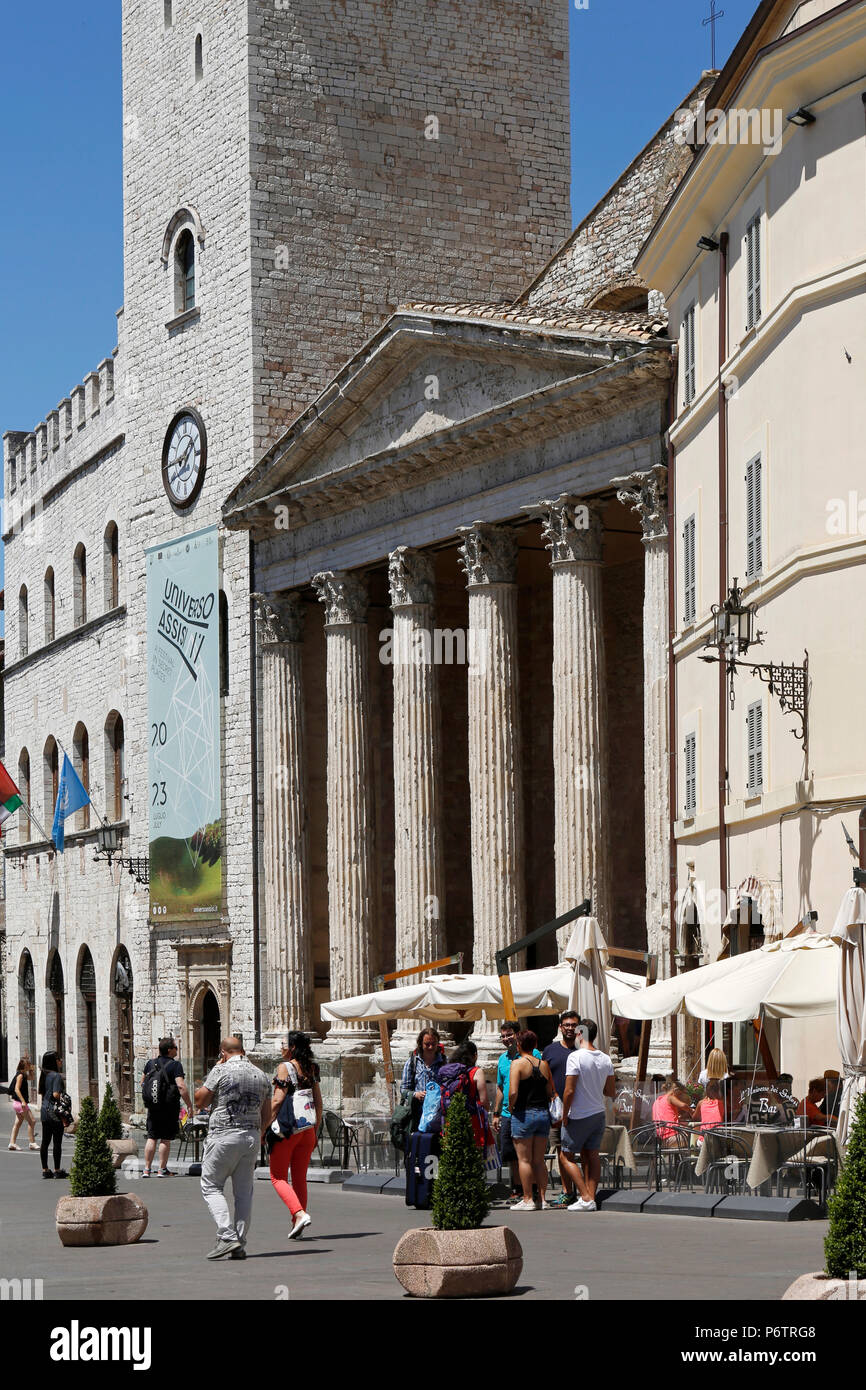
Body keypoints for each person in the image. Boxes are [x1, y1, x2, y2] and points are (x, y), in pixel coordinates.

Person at [195, 1036, 270, 1260]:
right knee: (243, 1192)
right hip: (252, 1136)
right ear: (243, 1051)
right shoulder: (262, 1074)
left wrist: (214, 1070)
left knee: (211, 1185)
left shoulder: (221, 1070)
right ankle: (239, 1242)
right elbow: (267, 1115)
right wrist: (257, 1132)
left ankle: (227, 1236)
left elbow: (200, 1101)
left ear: (223, 1052)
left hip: (223, 1135)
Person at [267, 1031, 323, 1240]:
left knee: (278, 1176)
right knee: (300, 1177)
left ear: (291, 1047)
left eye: (283, 1043)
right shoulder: (312, 1068)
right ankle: (297, 1223)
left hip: (288, 1128)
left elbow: (277, 1101)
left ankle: (298, 1214)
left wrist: (265, 1125)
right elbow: (318, 1101)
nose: (280, 1047)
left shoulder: (285, 1067)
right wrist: (315, 1129)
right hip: (307, 1128)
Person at [561, 1018, 615, 1212]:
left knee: (566, 1156)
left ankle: (584, 1195)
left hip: (580, 1113)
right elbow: (610, 1091)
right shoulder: (605, 1058)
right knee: (592, 1155)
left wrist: (564, 1113)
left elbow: (569, 1091)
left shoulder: (575, 1057)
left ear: (580, 1033)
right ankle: (590, 1197)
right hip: (598, 1112)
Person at [493, 1021, 542, 1201]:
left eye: (509, 1035)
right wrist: (496, 1113)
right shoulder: (502, 1059)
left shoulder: (532, 1054)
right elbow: (500, 1087)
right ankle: (518, 1187)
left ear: (518, 1035)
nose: (506, 1039)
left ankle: (533, 1187)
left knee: (528, 1154)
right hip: (507, 1113)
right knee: (511, 1154)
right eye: (503, 1036)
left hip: (526, 1111)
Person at [507, 1030, 554, 1211]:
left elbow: (512, 1092)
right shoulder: (544, 1065)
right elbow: (550, 1091)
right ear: (535, 1045)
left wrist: (511, 1107)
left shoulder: (517, 1064)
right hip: (542, 1114)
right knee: (539, 1159)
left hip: (523, 1113)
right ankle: (543, 1199)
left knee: (524, 1160)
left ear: (519, 1045)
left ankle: (527, 1199)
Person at [542, 1011, 580, 1206]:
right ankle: (567, 1190)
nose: (570, 1028)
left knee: (583, 1151)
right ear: (560, 1027)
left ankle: (584, 1190)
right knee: (561, 1151)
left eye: (574, 1025)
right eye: (567, 1025)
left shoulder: (584, 1051)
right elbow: (544, 1077)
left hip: (580, 1108)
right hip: (556, 1110)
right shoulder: (549, 1051)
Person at [142, 1037, 193, 1177]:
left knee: (152, 1137)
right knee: (165, 1138)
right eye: (176, 1047)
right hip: (169, 1107)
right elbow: (181, 1086)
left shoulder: (150, 1063)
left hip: (153, 1106)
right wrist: (189, 1105)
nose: (177, 1050)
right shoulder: (175, 1065)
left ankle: (146, 1169)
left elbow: (143, 1083)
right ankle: (162, 1169)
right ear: (170, 1050)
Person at [444, 1039, 490, 1148]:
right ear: (475, 1055)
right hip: (472, 1119)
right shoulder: (476, 1071)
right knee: (474, 1155)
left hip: (451, 1117)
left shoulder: (450, 1070)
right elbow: (483, 1100)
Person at [400, 1028, 445, 1132]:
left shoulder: (444, 1063)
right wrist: (416, 1094)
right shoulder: (412, 1063)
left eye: (433, 1044)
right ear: (420, 1044)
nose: (430, 1047)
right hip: (417, 1115)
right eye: (427, 1044)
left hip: (438, 1115)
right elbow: (403, 1090)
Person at [38, 1051, 68, 1179]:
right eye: (58, 1058)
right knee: (57, 1141)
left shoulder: (44, 1075)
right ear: (53, 1061)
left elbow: (42, 1093)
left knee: (45, 1141)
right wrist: (63, 1097)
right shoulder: (56, 1076)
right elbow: (56, 1094)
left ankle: (45, 1169)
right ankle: (57, 1169)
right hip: (54, 1112)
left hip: (45, 1111)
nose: (60, 1060)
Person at [8, 1056, 38, 1152]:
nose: (30, 1066)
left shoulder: (23, 1075)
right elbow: (17, 1089)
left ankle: (12, 1143)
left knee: (18, 1123)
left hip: (17, 1103)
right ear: (24, 1066)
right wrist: (23, 1101)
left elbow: (32, 1078)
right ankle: (32, 1142)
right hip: (20, 1103)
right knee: (32, 1121)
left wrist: (31, 1070)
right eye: (28, 1065)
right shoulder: (20, 1075)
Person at [652, 1078, 693, 1143]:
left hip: (660, 1139)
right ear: (675, 1090)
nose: (679, 1098)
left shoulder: (657, 1101)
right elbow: (683, 1105)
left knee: (686, 1128)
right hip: (674, 1137)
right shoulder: (670, 1097)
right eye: (679, 1095)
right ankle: (696, 1152)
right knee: (695, 1134)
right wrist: (691, 1111)